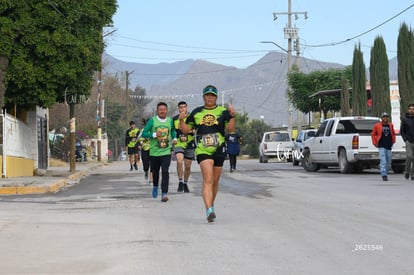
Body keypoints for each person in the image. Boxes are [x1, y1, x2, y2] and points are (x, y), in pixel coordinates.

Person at [179, 85, 236, 222]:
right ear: (203, 97)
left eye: (212, 95)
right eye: (207, 95)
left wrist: (233, 116)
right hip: (203, 149)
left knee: (215, 181)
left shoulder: (223, 111)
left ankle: (210, 204)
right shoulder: (197, 112)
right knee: (208, 179)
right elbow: (186, 130)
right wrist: (181, 120)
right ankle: (209, 209)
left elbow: (231, 129)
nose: (210, 97)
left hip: (219, 148)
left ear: (216, 97)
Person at [142, 102, 177, 202]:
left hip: (166, 151)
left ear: (167, 110)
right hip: (154, 152)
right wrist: (153, 135)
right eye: (160, 109)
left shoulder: (170, 121)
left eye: (164, 109)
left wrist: (174, 138)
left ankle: (164, 193)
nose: (162, 111)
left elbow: (173, 130)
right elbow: (144, 133)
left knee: (165, 172)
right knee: (155, 172)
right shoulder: (152, 121)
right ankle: (155, 186)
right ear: (157, 111)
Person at [172, 101, 195, 193]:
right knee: (179, 160)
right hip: (179, 144)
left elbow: (195, 129)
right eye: (180, 107)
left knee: (188, 166)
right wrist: (174, 137)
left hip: (189, 144)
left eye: (184, 107)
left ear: (187, 108)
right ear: (178, 108)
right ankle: (180, 181)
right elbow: (173, 131)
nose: (182, 109)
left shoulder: (191, 118)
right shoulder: (174, 119)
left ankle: (185, 183)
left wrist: (192, 131)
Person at [371, 112, 396, 181]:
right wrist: (375, 142)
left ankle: (386, 171)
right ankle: (384, 174)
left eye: (386, 117)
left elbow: (393, 133)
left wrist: (393, 140)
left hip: (389, 145)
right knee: (383, 160)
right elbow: (373, 134)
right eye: (384, 117)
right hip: (381, 145)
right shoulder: (377, 125)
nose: (385, 118)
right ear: (382, 118)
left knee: (388, 161)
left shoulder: (390, 125)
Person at [400, 103, 414, 180]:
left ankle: (413, 174)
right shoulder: (405, 119)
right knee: (409, 156)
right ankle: (407, 171)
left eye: (413, 109)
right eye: (410, 109)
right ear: (408, 110)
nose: (411, 110)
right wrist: (405, 139)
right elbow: (402, 131)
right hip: (409, 141)